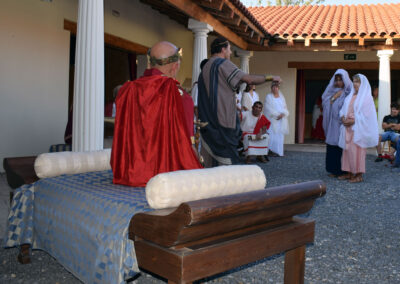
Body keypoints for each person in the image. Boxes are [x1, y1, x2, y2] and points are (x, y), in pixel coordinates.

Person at [111, 41, 202, 187]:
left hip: (128, 176)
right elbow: (187, 149)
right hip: (163, 182)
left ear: (150, 64)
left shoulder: (127, 91)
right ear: (175, 66)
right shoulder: (179, 96)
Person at [197, 37, 281, 167]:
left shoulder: (206, 67)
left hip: (207, 123)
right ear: (223, 49)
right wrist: (270, 77)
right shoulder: (222, 64)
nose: (230, 53)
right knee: (228, 163)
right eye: (229, 49)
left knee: (210, 163)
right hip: (223, 122)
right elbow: (248, 79)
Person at [338, 74, 379, 183]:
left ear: (363, 84)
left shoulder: (366, 98)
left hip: (358, 129)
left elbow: (367, 116)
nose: (355, 84)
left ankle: (359, 174)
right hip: (347, 128)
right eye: (354, 81)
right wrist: (343, 118)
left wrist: (352, 121)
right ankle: (349, 172)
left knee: (358, 151)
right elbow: (342, 110)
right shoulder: (349, 96)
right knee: (347, 150)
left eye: (358, 82)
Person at [322, 69, 352, 177]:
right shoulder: (332, 90)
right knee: (332, 147)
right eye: (337, 80)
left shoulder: (350, 91)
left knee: (342, 147)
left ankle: (343, 171)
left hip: (344, 124)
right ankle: (333, 170)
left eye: (341, 80)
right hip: (333, 124)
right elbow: (325, 102)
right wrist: (335, 97)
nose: (338, 82)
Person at [263, 81, 289, 157]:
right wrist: (277, 115)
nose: (275, 88)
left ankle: (279, 151)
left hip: (281, 119)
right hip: (273, 119)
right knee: (271, 134)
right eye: (273, 87)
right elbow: (268, 108)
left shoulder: (281, 97)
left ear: (278, 88)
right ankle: (270, 150)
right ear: (271, 88)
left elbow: (285, 107)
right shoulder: (269, 96)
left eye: (276, 87)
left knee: (280, 135)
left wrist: (283, 114)